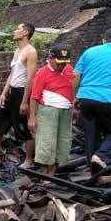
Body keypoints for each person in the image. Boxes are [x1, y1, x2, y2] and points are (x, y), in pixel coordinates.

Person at [72, 28, 111, 171]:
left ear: (103, 40)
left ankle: (93, 171)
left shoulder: (89, 52)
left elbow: (76, 75)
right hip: (108, 99)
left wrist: (75, 97)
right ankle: (101, 156)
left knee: (91, 135)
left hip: (85, 98)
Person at [0, 23, 38, 168]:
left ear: (25, 33)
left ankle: (29, 159)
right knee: (0, 120)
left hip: (22, 92)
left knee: (23, 126)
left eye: (18, 29)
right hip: (12, 91)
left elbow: (30, 78)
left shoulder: (31, 51)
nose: (14, 31)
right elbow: (12, 74)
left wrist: (24, 101)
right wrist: (4, 92)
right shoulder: (17, 51)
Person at [28, 45, 74, 176]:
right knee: (46, 141)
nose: (62, 66)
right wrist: (32, 118)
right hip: (48, 110)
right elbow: (34, 97)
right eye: (59, 63)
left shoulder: (69, 70)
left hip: (65, 110)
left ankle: (52, 174)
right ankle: (44, 173)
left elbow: (73, 89)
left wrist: (74, 106)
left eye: (64, 62)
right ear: (50, 59)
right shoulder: (42, 72)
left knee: (62, 142)